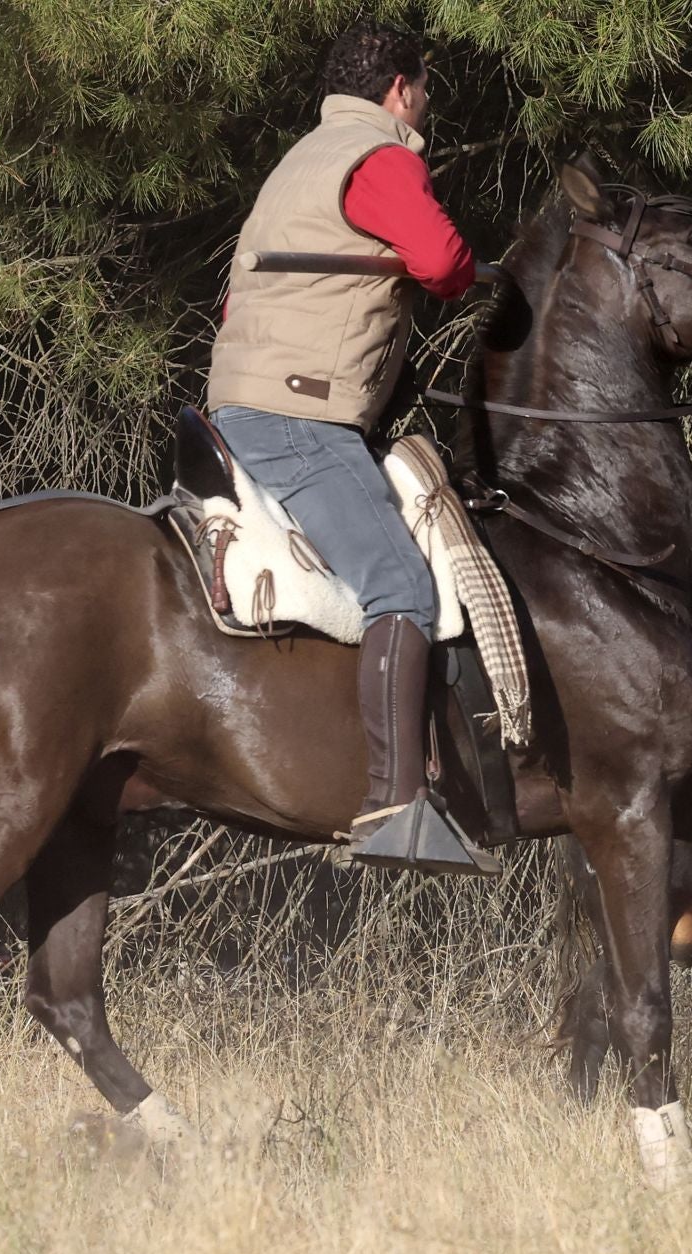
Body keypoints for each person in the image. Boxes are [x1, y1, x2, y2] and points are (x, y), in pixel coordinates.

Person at [207, 22, 481, 871]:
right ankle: (395, 806)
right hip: (299, 415)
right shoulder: (381, 157)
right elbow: (442, 262)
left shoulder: (300, 162)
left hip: (244, 401)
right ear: (400, 88)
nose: (425, 104)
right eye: (424, 88)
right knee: (401, 584)